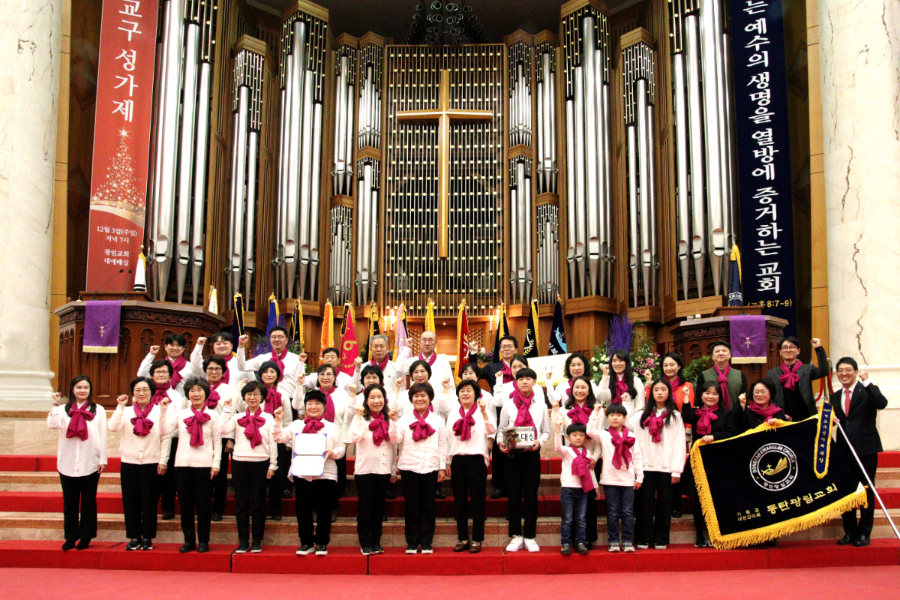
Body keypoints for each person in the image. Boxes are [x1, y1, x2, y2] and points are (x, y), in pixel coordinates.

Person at [274, 390, 345, 556]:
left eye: (317, 404)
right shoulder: (297, 425)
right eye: (310, 404)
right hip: (302, 472)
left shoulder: (332, 427)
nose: (313, 407)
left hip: (325, 473)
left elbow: (342, 449)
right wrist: (278, 421)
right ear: (305, 406)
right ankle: (306, 542)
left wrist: (332, 453)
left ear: (324, 407)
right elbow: (279, 438)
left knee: (324, 510)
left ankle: (321, 542)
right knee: (303, 510)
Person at [831, 358, 889, 547]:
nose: (844, 373)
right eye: (840, 370)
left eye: (848, 370)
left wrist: (868, 382)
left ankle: (864, 532)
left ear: (856, 372)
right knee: (847, 492)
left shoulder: (867, 390)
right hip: (844, 451)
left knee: (866, 491)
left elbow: (882, 403)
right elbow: (834, 421)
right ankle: (850, 532)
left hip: (866, 449)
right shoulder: (834, 396)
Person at [48, 376, 108, 551]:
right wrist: (54, 405)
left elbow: (102, 435)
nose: (82, 390)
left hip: (90, 461)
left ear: (90, 390)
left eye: (86, 387)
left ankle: (86, 537)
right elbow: (53, 425)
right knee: (70, 502)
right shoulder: (62, 409)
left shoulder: (99, 410)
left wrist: (102, 459)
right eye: (79, 387)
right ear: (72, 390)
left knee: (89, 501)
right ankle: (70, 537)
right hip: (67, 462)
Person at [162, 377, 221, 553]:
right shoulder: (181, 414)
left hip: (204, 465)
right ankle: (189, 540)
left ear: (206, 393)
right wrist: (163, 410)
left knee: (203, 505)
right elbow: (164, 430)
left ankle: (203, 540)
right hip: (182, 464)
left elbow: (217, 441)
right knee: (185, 505)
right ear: (188, 394)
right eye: (192, 391)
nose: (195, 394)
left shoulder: (214, 414)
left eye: (199, 390)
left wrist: (216, 463)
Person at [108, 377, 168, 551]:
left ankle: (148, 537)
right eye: (137, 390)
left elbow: (165, 435)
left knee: (150, 501)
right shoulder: (126, 412)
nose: (141, 393)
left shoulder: (160, 410)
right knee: (130, 501)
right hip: (129, 462)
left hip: (152, 462)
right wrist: (119, 406)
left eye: (145, 390)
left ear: (152, 392)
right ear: (133, 393)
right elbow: (112, 427)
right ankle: (134, 536)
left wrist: (163, 461)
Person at [389, 382, 448, 554]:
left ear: (430, 399)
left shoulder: (437, 420)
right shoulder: (404, 419)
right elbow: (394, 440)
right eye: (416, 396)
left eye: (423, 395)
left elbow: (443, 445)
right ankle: (412, 542)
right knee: (412, 506)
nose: (419, 399)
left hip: (430, 466)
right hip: (409, 467)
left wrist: (442, 467)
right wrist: (392, 423)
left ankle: (427, 541)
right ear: (411, 399)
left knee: (429, 506)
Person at [497, 367, 551, 553]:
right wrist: (501, 443)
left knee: (530, 495)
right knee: (513, 495)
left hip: (532, 454)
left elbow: (546, 432)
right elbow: (501, 429)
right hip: (512, 455)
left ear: (534, 382)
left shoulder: (541, 405)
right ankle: (515, 535)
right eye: (521, 379)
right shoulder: (508, 404)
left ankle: (529, 536)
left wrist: (539, 441)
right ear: (516, 382)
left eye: (529, 378)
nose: (525, 381)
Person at [220, 381, 277, 554]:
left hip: (261, 462)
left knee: (259, 503)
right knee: (242, 504)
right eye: (249, 394)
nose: (252, 398)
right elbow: (223, 429)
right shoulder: (237, 418)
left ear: (262, 397)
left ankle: (257, 540)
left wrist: (273, 464)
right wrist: (227, 409)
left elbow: (273, 442)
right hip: (240, 463)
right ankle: (243, 540)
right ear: (244, 397)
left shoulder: (268, 417)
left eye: (256, 394)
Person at [631, 379, 686, 550]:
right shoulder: (641, 415)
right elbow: (628, 433)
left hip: (666, 468)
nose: (660, 392)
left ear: (669, 393)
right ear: (650, 393)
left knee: (665, 505)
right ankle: (643, 538)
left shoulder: (675, 416)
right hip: (645, 468)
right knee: (643, 505)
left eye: (663, 389)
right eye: (656, 390)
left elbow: (680, 443)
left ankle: (661, 538)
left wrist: (676, 470)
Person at [681, 380, 736, 547]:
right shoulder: (696, 412)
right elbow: (686, 416)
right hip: (699, 461)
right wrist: (685, 396)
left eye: (714, 393)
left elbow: (732, 433)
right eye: (707, 393)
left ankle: (715, 534)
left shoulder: (726, 413)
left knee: (717, 499)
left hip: (719, 460)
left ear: (720, 396)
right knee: (699, 499)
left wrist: (714, 436)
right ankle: (699, 535)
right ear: (701, 395)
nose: (710, 396)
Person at [445, 379, 495, 553]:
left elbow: (492, 431)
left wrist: (485, 414)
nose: (465, 394)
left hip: (476, 460)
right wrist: (448, 461)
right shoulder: (453, 414)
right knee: (459, 501)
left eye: (469, 390)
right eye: (462, 391)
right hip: (458, 460)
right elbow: (447, 439)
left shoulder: (483, 411)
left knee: (477, 501)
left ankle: (477, 539)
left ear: (476, 394)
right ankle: (463, 538)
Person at [295, 363, 352, 517]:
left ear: (335, 377)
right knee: (312, 478)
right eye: (321, 374)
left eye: (329, 374)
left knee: (336, 475)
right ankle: (314, 507)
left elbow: (348, 418)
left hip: (336, 440)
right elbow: (297, 404)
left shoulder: (342, 395)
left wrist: (345, 437)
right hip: (312, 441)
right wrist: (300, 386)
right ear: (317, 378)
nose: (325, 377)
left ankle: (332, 506)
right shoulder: (312, 395)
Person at [551, 375, 601, 549]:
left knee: (587, 505)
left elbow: (599, 438)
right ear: (572, 391)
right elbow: (557, 428)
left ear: (589, 390)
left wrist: (595, 457)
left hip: (591, 460)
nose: (580, 390)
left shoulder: (597, 410)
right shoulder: (566, 411)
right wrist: (556, 411)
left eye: (583, 387)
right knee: (571, 511)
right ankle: (569, 540)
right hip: (572, 458)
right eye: (576, 387)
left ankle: (586, 538)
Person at [587, 403, 643, 552]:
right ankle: (613, 541)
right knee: (612, 512)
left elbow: (637, 457)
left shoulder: (631, 436)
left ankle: (626, 541)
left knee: (627, 512)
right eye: (612, 415)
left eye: (619, 415)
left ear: (624, 418)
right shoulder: (604, 435)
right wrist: (596, 412)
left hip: (628, 479)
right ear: (607, 418)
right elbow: (590, 431)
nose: (615, 418)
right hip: (610, 479)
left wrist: (640, 477)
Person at [469, 335, 519, 498]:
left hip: (519, 410)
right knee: (499, 448)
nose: (506, 349)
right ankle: (499, 484)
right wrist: (473, 353)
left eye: (510, 346)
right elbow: (475, 371)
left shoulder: (521, 366)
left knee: (516, 446)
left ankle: (516, 484)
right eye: (503, 346)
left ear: (516, 349)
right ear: (499, 350)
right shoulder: (492, 367)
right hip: (498, 410)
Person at [350, 384, 395, 555]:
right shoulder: (362, 419)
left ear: (384, 399)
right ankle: (365, 542)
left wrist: (393, 469)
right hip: (365, 471)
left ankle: (376, 541)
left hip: (383, 471)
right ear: (366, 401)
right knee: (366, 508)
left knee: (379, 508)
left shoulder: (389, 420)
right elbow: (355, 437)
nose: (377, 401)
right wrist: (358, 417)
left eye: (379, 397)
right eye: (372, 398)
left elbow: (393, 445)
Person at [147, 359, 185, 521]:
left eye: (165, 372)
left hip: (172, 439)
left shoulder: (177, 396)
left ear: (170, 375)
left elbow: (180, 418)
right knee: (150, 474)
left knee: (169, 475)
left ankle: (168, 507)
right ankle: (149, 507)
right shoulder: (146, 392)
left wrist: (167, 433)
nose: (161, 374)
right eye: (158, 372)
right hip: (150, 439)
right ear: (152, 375)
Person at [203, 355, 239, 522]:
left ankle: (218, 509)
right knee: (203, 472)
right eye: (211, 368)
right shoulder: (199, 388)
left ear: (223, 371)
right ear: (205, 370)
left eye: (218, 369)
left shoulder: (229, 390)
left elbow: (233, 415)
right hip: (201, 436)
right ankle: (203, 507)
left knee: (221, 473)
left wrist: (230, 438)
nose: (214, 371)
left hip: (222, 436)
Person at [554, 421, 598, 556]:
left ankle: (580, 541)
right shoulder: (567, 451)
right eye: (574, 435)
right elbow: (557, 448)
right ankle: (565, 542)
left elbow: (590, 471)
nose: (578, 438)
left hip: (583, 490)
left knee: (581, 519)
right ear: (568, 437)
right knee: (567, 518)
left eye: (581, 435)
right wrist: (557, 431)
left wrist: (595, 487)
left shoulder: (588, 453)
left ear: (585, 437)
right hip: (568, 489)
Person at [258, 361, 293, 520]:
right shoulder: (255, 392)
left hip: (278, 439)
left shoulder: (283, 394)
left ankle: (275, 509)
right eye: (265, 372)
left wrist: (288, 442)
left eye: (272, 371)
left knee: (278, 475)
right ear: (260, 375)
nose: (269, 374)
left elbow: (287, 420)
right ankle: (260, 510)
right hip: (259, 439)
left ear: (277, 375)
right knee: (261, 475)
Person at [661, 352, 694, 518]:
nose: (669, 368)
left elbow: (690, 410)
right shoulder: (658, 385)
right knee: (665, 467)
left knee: (679, 467)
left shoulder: (687, 386)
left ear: (679, 366)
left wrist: (687, 434)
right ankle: (665, 504)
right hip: (662, 431)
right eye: (665, 365)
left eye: (672, 364)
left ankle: (676, 505)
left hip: (681, 431)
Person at [766, 337, 829, 421]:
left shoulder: (807, 369)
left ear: (798, 351)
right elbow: (769, 398)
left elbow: (824, 371)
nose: (788, 350)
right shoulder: (772, 374)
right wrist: (779, 414)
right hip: (783, 418)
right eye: (785, 347)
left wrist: (818, 348)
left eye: (792, 347)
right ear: (780, 352)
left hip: (806, 416)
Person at [237, 327, 306, 400]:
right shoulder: (263, 358)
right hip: (267, 400)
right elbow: (242, 367)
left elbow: (301, 382)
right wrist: (241, 346)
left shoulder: (296, 359)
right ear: (270, 340)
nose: (276, 340)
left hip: (289, 400)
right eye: (273, 337)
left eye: (280, 337)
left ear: (286, 340)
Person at [695, 341, 747, 410]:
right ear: (712, 357)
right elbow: (699, 400)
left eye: (724, 351)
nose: (721, 353)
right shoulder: (703, 375)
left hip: (736, 417)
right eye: (717, 351)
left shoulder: (740, 375)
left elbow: (744, 399)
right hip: (711, 417)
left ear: (730, 355)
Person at [597, 350, 647, 417]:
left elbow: (640, 407)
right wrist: (605, 376)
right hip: (611, 423)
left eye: (621, 360)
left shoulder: (636, 381)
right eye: (614, 361)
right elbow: (603, 398)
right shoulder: (607, 380)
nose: (617, 364)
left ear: (626, 362)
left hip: (631, 423)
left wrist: (631, 423)